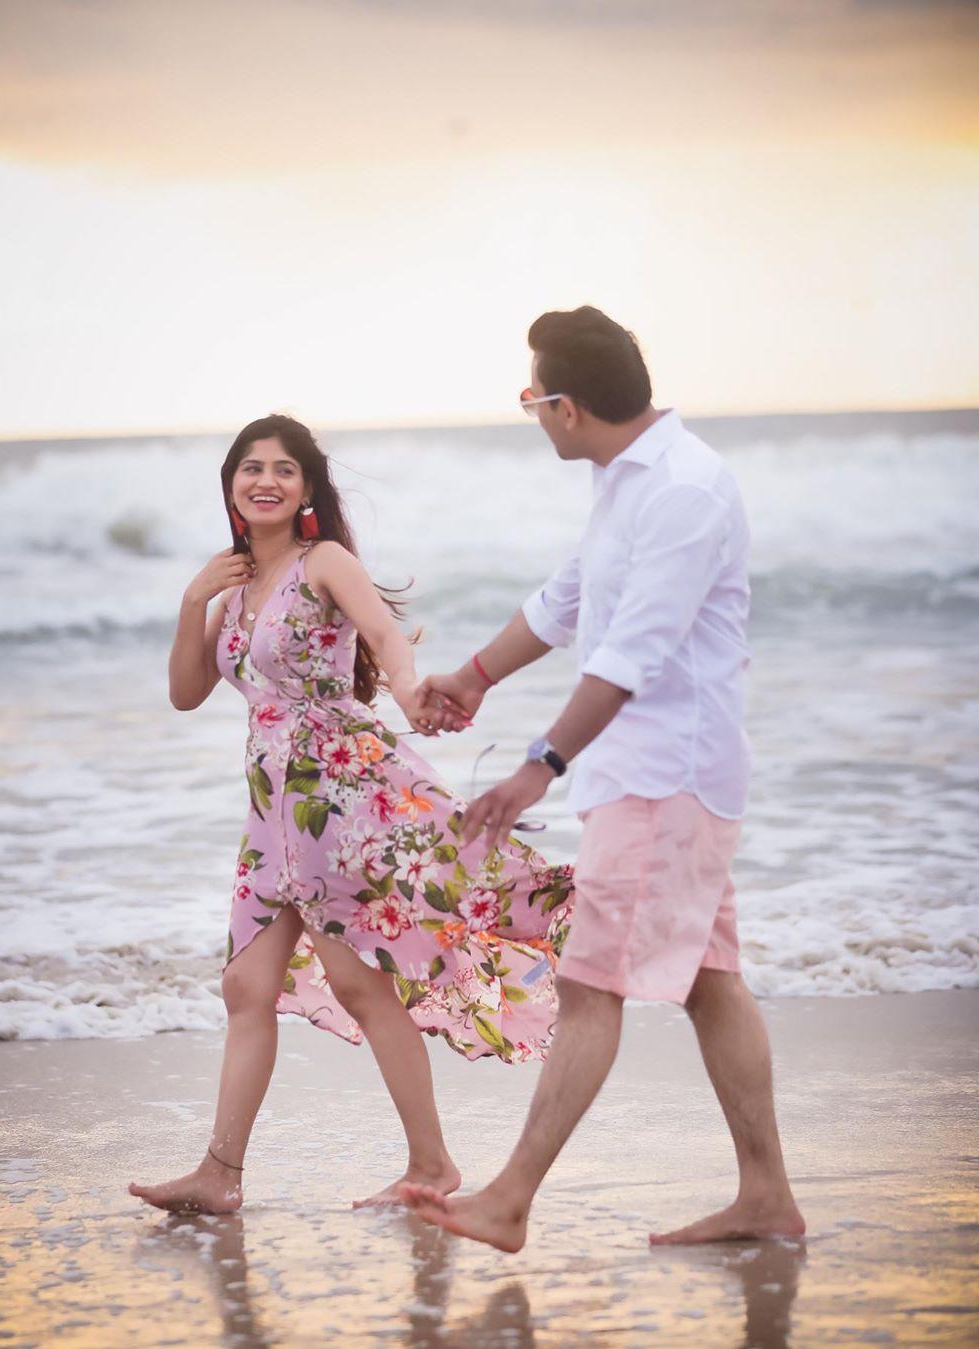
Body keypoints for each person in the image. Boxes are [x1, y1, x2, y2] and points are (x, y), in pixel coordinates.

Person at [401, 307, 805, 1249]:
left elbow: (633, 654)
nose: (533, 415)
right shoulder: (626, 483)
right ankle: (767, 1195)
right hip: (654, 775)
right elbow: (567, 599)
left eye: (532, 400)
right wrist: (472, 677)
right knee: (712, 980)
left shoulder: (686, 490)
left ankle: (508, 1200)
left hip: (664, 775)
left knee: (591, 985)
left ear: (568, 406)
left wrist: (537, 766)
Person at [128, 414, 573, 1215]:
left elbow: (382, 635)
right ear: (230, 485)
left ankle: (431, 1162)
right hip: (272, 812)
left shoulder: (322, 560)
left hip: (336, 795)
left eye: (284, 469)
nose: (266, 479)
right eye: (250, 468)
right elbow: (186, 692)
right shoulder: (229, 592)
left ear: (306, 490)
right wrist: (192, 598)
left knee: (357, 983)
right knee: (245, 985)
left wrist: (409, 691)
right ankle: (219, 1172)